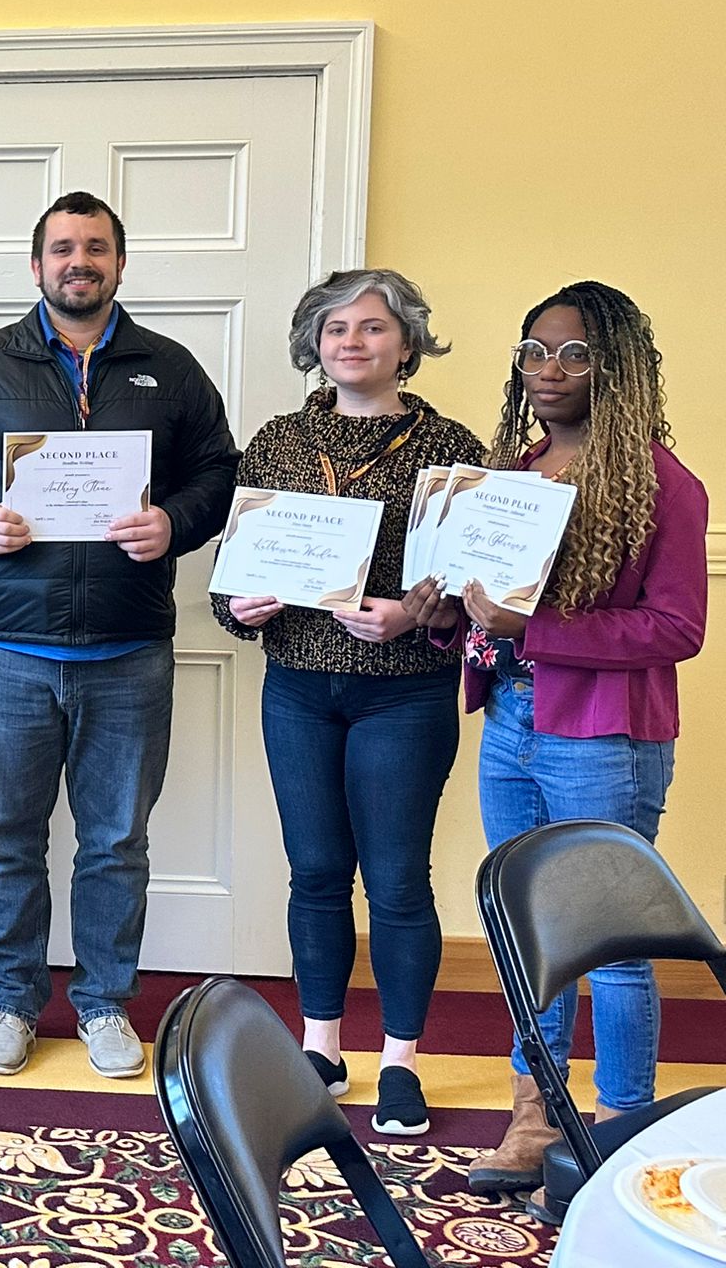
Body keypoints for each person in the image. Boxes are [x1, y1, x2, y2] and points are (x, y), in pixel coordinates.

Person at [0, 190, 239, 1079]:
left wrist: (175, 521)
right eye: (61, 248)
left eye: (95, 247)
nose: (77, 261)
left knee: (117, 840)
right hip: (8, 649)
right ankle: (11, 997)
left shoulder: (169, 367)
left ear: (120, 264)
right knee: (4, 836)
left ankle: (102, 1002)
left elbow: (218, 470)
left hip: (129, 652)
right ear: (36, 264)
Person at [405, 281, 705, 1210]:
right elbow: (490, 618)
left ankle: (624, 1135)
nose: (547, 370)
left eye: (573, 354)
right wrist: (448, 616)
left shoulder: (664, 483)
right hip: (513, 725)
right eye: (534, 351)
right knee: (530, 940)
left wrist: (534, 629)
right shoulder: (517, 476)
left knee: (609, 948)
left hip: (603, 737)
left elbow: (675, 628)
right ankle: (537, 1121)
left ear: (614, 367)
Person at [211, 269, 484, 1136]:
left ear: (408, 341)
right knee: (317, 871)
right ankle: (320, 1046)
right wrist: (239, 606)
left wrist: (415, 611)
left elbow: (473, 583)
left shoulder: (451, 447)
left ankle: (401, 1060)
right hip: (297, 687)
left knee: (399, 879)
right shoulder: (279, 441)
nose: (353, 343)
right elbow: (234, 574)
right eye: (335, 330)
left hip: (403, 694)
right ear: (314, 344)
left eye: (372, 328)